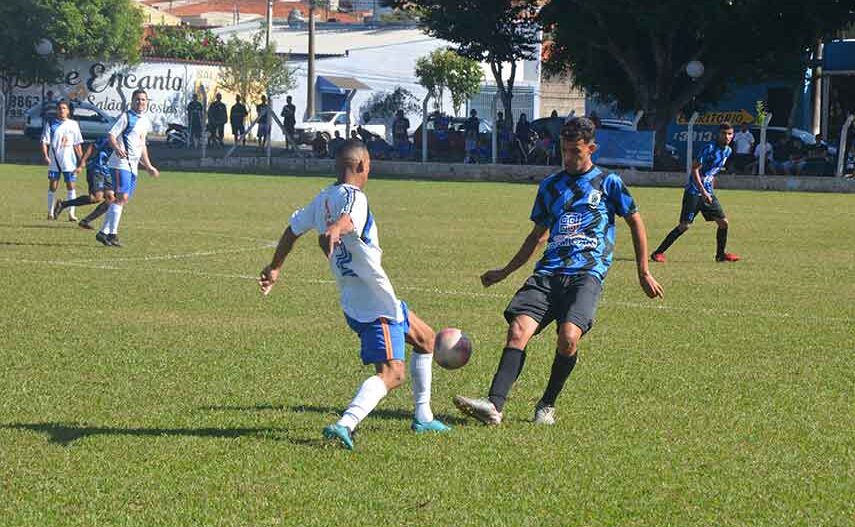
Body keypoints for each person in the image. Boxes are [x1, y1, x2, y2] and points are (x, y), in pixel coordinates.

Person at [452, 117, 664, 426]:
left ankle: (547, 404)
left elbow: (635, 221)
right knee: (518, 331)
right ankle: (494, 406)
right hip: (548, 272)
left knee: (568, 337)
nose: (568, 158)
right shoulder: (551, 186)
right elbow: (537, 236)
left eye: (575, 151)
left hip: (587, 273)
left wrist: (643, 271)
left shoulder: (609, 183)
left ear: (591, 148)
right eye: (564, 150)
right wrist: (506, 270)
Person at [258, 140, 451, 450]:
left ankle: (423, 416)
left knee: (426, 338)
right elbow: (347, 221)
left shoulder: (322, 199)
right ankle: (345, 423)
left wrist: (275, 267)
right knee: (393, 373)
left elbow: (292, 230)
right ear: (362, 166)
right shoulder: (356, 198)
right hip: (374, 303)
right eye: (370, 164)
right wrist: (334, 230)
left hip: (361, 297)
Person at [650, 122, 740, 263]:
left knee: (723, 223)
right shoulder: (709, 148)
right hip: (694, 192)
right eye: (724, 133)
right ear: (718, 134)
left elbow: (713, 172)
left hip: (708, 193)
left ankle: (720, 255)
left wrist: (710, 191)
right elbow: (695, 169)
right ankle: (658, 253)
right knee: (684, 226)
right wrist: (702, 191)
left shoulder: (728, 151)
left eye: (730, 134)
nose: (727, 136)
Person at [96, 89, 159, 248]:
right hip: (120, 163)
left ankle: (104, 232)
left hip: (133, 166)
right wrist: (117, 148)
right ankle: (112, 234)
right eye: (137, 99)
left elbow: (142, 145)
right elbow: (111, 135)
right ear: (132, 101)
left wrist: (148, 165)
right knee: (122, 197)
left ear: (147, 102)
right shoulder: (126, 117)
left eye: (143, 100)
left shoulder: (145, 121)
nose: (140, 102)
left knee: (121, 200)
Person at [53, 135, 113, 228]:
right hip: (97, 168)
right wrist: (82, 164)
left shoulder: (127, 141)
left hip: (109, 172)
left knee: (110, 199)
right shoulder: (109, 138)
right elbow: (92, 146)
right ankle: (64, 204)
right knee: (96, 197)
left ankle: (84, 221)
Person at [41, 100, 83, 221]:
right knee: (53, 186)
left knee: (71, 186)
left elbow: (77, 144)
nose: (62, 110)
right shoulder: (51, 123)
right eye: (60, 108)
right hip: (55, 161)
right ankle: (50, 212)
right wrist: (46, 156)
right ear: (57, 110)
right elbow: (45, 141)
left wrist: (82, 160)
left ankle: (71, 214)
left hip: (69, 162)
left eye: (64, 108)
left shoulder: (74, 124)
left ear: (68, 111)